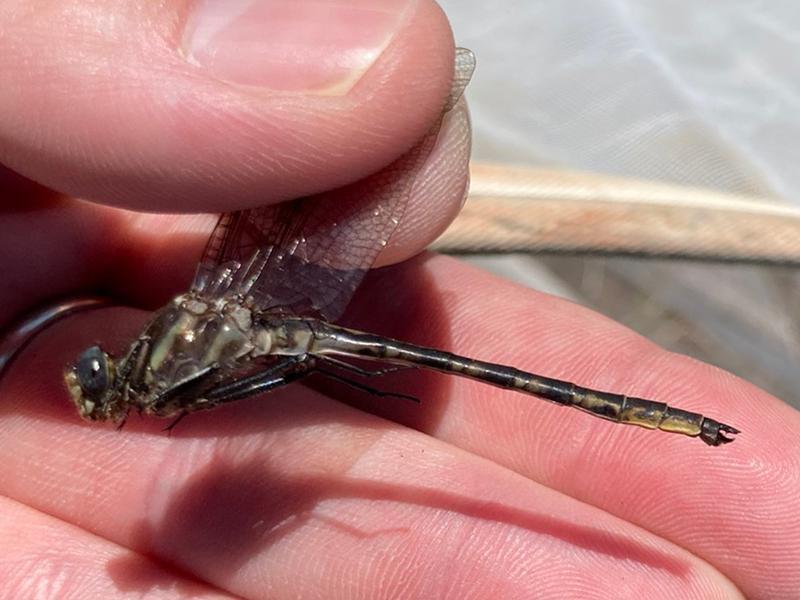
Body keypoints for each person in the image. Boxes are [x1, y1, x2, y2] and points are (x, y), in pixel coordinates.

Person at [0, 2, 797, 598]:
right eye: (101, 382)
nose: (103, 385)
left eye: (98, 378)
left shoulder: (164, 365)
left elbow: (239, 387)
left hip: (270, 329)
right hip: (265, 328)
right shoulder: (166, 359)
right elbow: (239, 386)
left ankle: (652, 418)